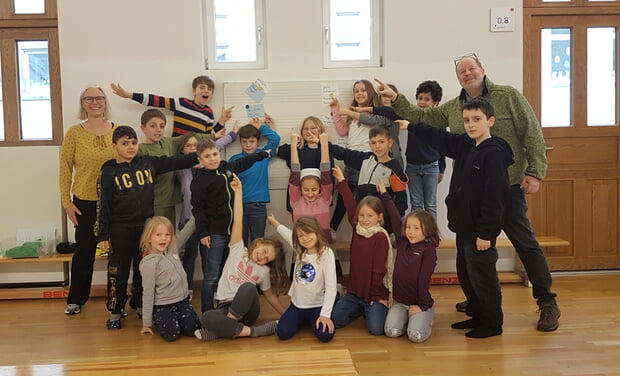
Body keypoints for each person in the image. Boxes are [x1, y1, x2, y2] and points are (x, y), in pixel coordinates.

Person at [375, 53, 561, 332]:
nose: (467, 73)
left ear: (482, 70)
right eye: (461, 71)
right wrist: (397, 99)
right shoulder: (454, 107)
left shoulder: (508, 95)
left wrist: (535, 171)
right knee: (468, 253)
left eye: (471, 68)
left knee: (524, 243)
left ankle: (546, 301)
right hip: (473, 199)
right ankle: (478, 304)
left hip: (507, 188)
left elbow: (532, 132)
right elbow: (424, 118)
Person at [398, 98, 514, 338]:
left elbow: (496, 197)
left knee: (483, 277)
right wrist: (411, 126)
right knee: (466, 272)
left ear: (489, 121)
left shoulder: (494, 153)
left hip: (480, 231)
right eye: (467, 120)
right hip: (464, 227)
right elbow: (439, 137)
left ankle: (492, 323)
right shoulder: (465, 144)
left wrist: (487, 233)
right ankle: (476, 314)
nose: (471, 125)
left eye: (477, 120)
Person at [96, 126, 200, 330]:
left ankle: (141, 306)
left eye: (133, 142)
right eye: (125, 143)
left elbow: (175, 161)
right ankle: (116, 311)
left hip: (146, 228)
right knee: (118, 271)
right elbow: (103, 206)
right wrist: (102, 235)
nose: (130, 147)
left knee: (144, 269)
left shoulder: (148, 163)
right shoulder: (108, 171)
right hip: (119, 229)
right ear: (114, 145)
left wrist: (201, 156)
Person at [195, 174, 289, 341]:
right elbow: (238, 221)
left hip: (247, 311)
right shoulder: (238, 249)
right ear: (259, 243)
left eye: (267, 259)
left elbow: (270, 296)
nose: (262, 257)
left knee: (247, 287)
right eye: (264, 251)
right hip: (224, 305)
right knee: (207, 317)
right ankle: (253, 332)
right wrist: (238, 192)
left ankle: (227, 328)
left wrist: (287, 315)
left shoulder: (263, 272)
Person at [190, 138, 271, 313]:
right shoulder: (199, 180)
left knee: (228, 271)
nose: (212, 159)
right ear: (200, 160)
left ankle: (225, 307)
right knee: (211, 275)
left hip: (234, 233)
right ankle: (207, 312)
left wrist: (262, 155)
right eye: (207, 156)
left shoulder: (227, 167)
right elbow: (198, 209)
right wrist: (203, 233)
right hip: (214, 233)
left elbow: (244, 161)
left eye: (214, 154)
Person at [60, 85, 119, 315]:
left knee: (116, 255)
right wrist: (67, 202)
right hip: (84, 202)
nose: (95, 102)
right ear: (83, 103)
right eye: (89, 99)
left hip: (116, 202)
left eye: (99, 98)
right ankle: (76, 300)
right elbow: (65, 168)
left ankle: (116, 303)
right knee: (84, 253)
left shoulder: (118, 130)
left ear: (105, 102)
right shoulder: (74, 133)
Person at [138, 109, 236, 226]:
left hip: (169, 202)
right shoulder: (141, 149)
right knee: (155, 234)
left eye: (162, 126)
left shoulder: (167, 142)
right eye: (153, 126)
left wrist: (214, 135)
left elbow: (192, 137)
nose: (158, 129)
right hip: (154, 202)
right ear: (143, 128)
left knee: (168, 234)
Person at [175, 127, 240, 288]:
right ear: (183, 149)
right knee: (189, 256)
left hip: (208, 222)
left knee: (209, 260)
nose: (191, 147)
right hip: (190, 219)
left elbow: (217, 146)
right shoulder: (180, 166)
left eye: (194, 145)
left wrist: (232, 133)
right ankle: (187, 289)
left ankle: (217, 294)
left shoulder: (211, 168)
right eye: (188, 145)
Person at [330, 165, 391, 336]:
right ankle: (357, 309)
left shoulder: (380, 236)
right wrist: (342, 181)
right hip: (355, 292)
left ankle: (376, 309)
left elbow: (379, 271)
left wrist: (377, 297)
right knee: (336, 320)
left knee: (376, 329)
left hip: (374, 294)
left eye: (370, 216)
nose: (364, 220)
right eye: (362, 215)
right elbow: (350, 205)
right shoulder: (358, 229)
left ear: (379, 217)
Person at [380, 180, 439, 343]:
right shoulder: (402, 242)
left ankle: (427, 314)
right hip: (400, 301)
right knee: (391, 331)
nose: (411, 232)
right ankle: (409, 319)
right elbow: (395, 217)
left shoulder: (428, 251)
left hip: (420, 302)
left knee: (415, 336)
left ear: (427, 230)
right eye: (408, 227)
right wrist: (385, 195)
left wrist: (419, 305)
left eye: (416, 228)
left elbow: (423, 280)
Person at [267, 215, 337, 342]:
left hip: (317, 306)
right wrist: (275, 222)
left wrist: (325, 315)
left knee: (325, 335)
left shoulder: (326, 253)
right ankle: (303, 320)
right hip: (297, 306)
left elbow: (331, 287)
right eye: (300, 236)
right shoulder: (300, 249)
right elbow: (288, 234)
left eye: (308, 233)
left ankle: (312, 319)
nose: (305, 238)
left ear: (317, 231)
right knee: (283, 333)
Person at [330, 126, 408, 234]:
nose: (378, 146)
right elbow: (344, 153)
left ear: (389, 143)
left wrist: (388, 228)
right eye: (374, 142)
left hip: (380, 227)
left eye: (381, 142)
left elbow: (401, 203)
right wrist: (323, 144)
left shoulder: (395, 169)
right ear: (369, 145)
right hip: (361, 223)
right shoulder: (365, 160)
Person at [329, 79, 380, 236]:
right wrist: (336, 111)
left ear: (370, 92)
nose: (359, 93)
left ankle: (368, 229)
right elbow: (343, 131)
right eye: (356, 91)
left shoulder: (374, 113)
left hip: (368, 158)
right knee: (345, 195)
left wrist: (348, 112)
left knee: (366, 198)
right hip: (351, 158)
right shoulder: (352, 116)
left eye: (363, 90)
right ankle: (333, 228)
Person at [139, 216, 201, 341]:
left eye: (167, 234)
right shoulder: (149, 264)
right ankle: (160, 318)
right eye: (158, 235)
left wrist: (196, 213)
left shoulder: (172, 248)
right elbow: (148, 293)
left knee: (194, 329)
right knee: (171, 335)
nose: (163, 238)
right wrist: (146, 322)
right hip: (163, 305)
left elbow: (187, 231)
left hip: (182, 302)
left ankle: (179, 319)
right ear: (149, 238)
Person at [110, 76, 234, 136]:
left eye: (210, 89)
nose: (206, 91)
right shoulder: (182, 103)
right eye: (202, 88)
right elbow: (156, 100)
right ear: (194, 91)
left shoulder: (208, 112)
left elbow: (209, 136)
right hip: (178, 151)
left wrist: (222, 120)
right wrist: (129, 95)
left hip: (196, 154)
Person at [229, 115, 281, 244]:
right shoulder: (235, 160)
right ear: (240, 142)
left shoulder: (262, 156)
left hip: (258, 206)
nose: (248, 145)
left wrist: (261, 127)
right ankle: (243, 265)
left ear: (258, 142)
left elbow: (275, 138)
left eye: (252, 141)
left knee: (258, 241)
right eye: (244, 142)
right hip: (238, 205)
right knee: (240, 242)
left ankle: (257, 265)